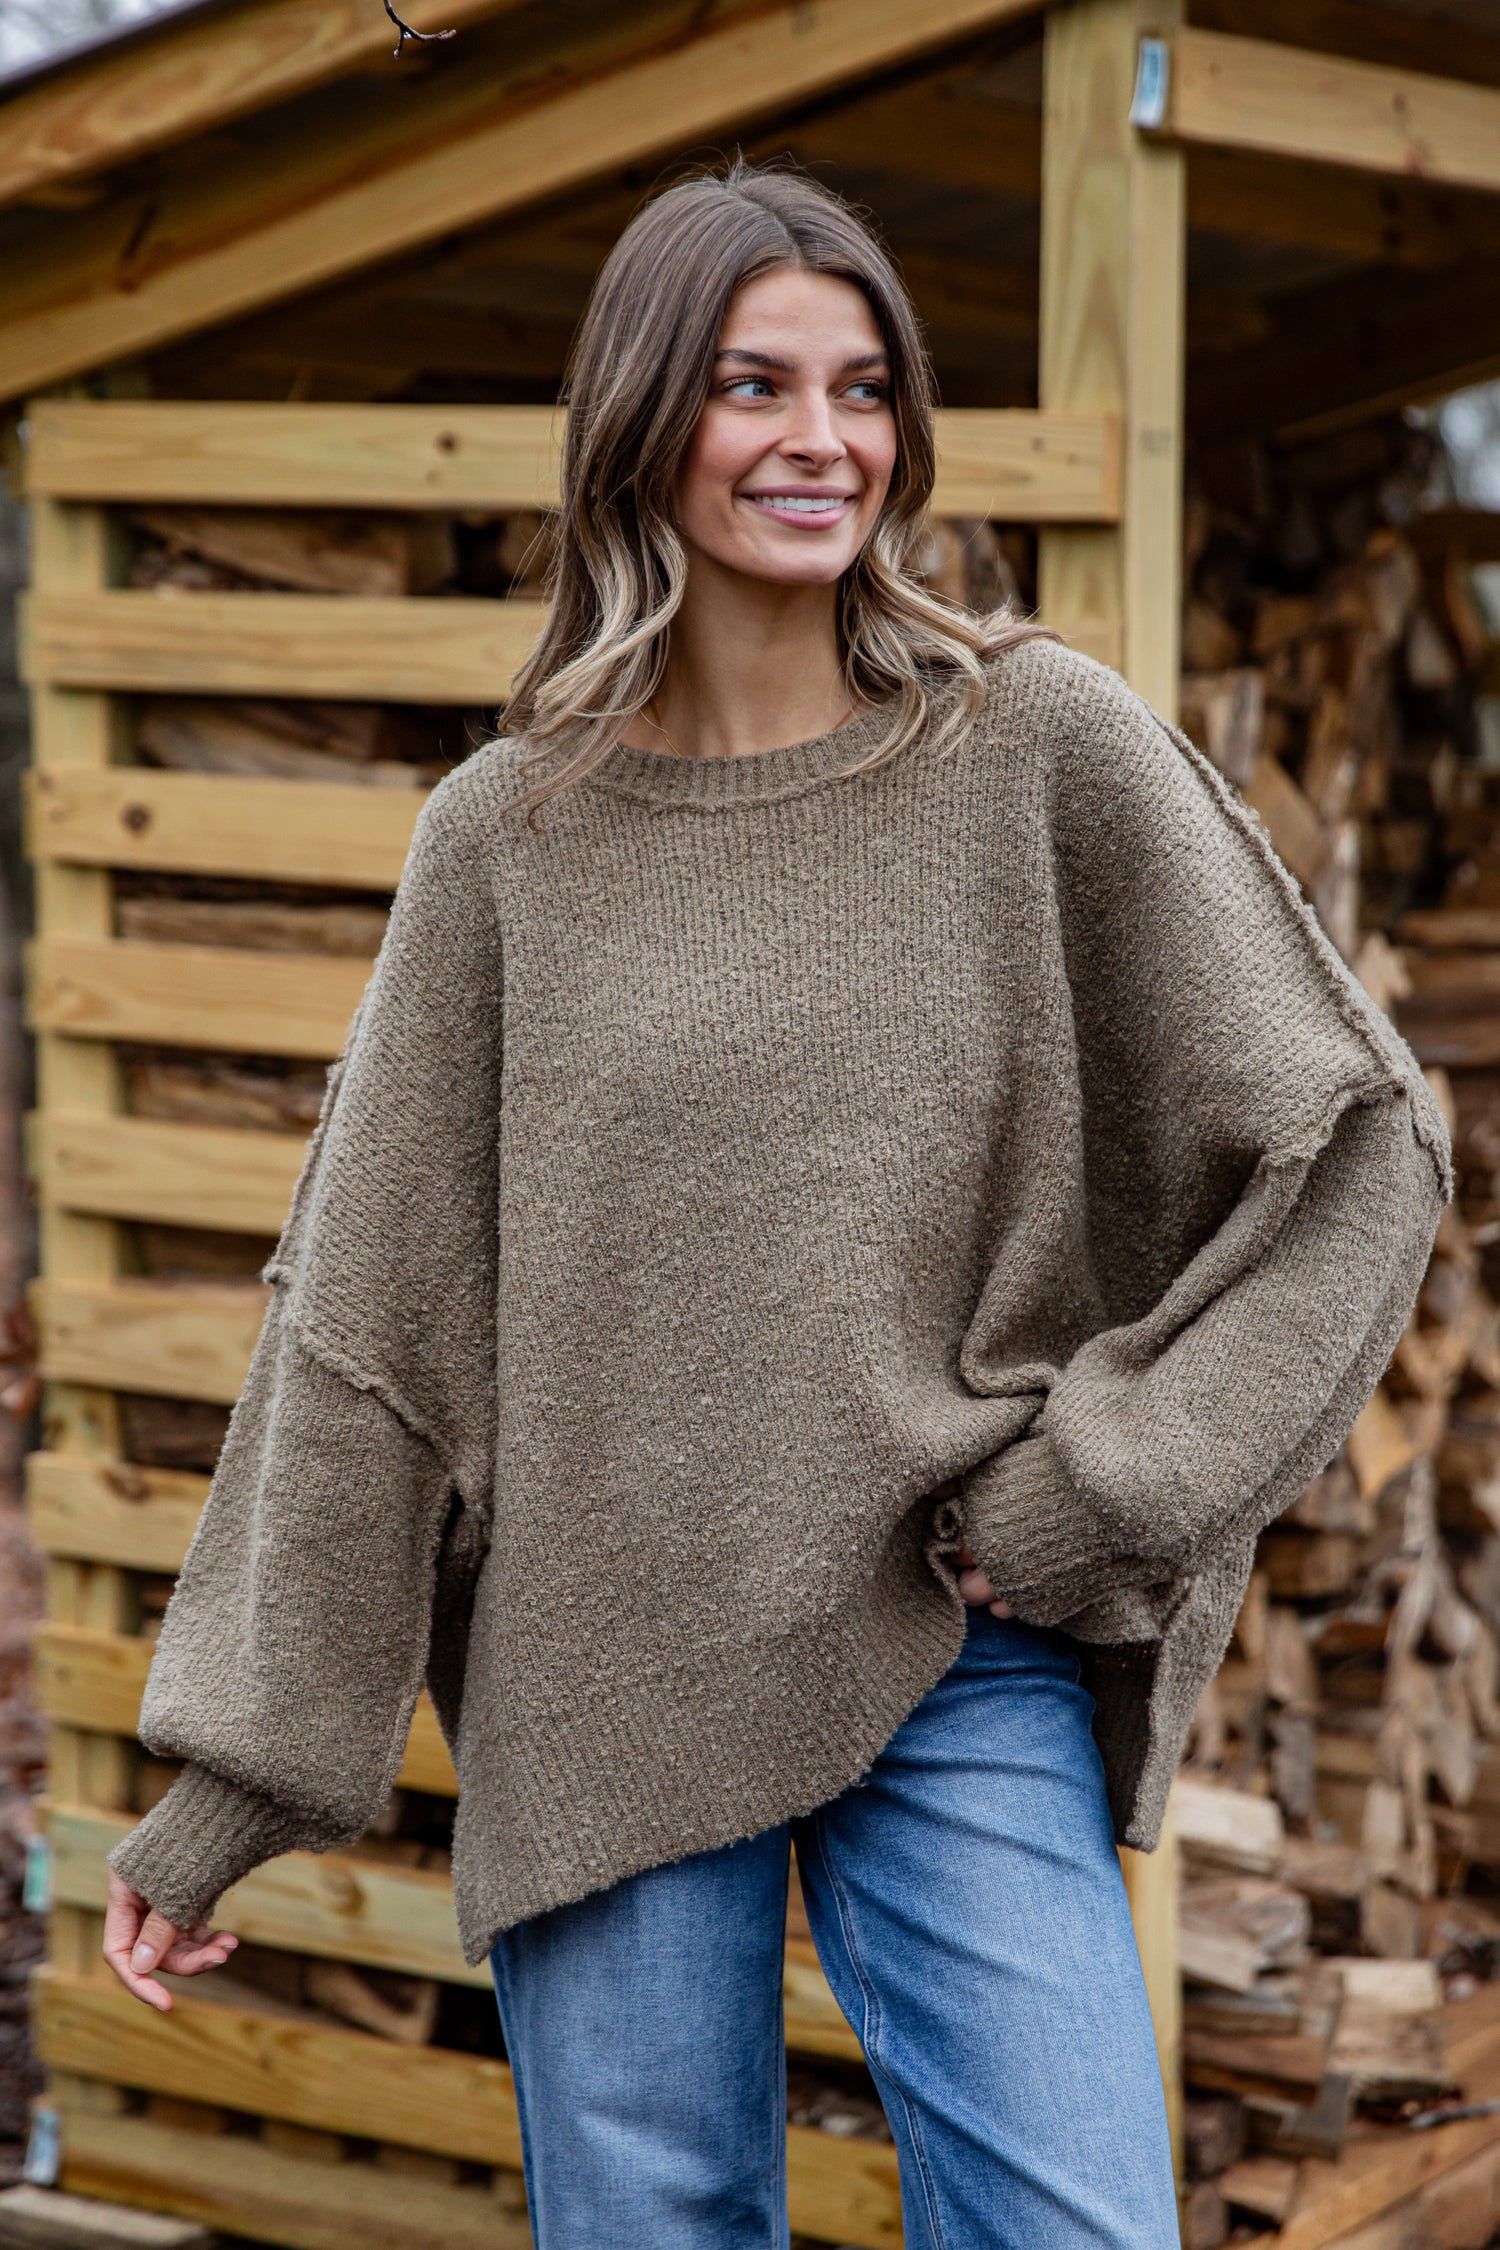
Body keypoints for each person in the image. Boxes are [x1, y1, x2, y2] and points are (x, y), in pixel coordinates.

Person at [101, 162, 1448, 2247]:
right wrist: (236, 1784)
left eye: (864, 388)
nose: (824, 439)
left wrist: (1112, 1483)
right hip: (603, 1668)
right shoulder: (506, 842)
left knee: (1078, 2222)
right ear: (645, 417)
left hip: (957, 1636)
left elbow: (1368, 1149)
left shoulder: (1040, 750)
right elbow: (365, 1330)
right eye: (754, 384)